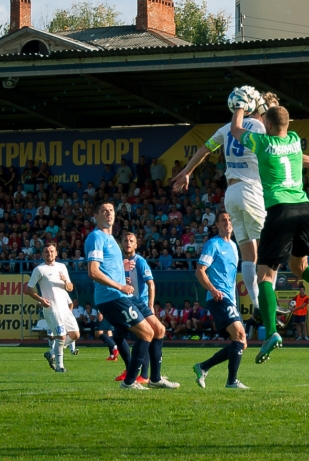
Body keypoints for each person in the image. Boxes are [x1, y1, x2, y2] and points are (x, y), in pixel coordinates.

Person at [228, 102, 309, 364]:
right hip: (303, 209)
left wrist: (239, 105)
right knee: (300, 267)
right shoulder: (295, 140)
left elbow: (235, 128)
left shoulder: (261, 143)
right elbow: (284, 128)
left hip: (279, 210)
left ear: (268, 125)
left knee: (265, 275)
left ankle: (271, 332)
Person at [172, 90, 270, 328]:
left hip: (231, 193)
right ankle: (268, 303)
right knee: (267, 251)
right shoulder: (258, 127)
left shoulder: (226, 129)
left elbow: (204, 151)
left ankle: (257, 304)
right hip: (250, 189)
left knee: (249, 254)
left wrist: (187, 172)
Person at [85, 202, 156, 390]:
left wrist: (122, 272)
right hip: (112, 296)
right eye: (104, 211)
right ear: (96, 216)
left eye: (111, 211)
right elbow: (93, 271)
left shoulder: (112, 241)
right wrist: (120, 286)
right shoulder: (96, 237)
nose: (108, 214)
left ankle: (150, 377)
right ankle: (132, 381)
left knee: (149, 330)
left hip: (119, 295)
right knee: (147, 332)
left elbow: (108, 267)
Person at [193, 212, 249, 389]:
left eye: (230, 220)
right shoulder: (213, 244)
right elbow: (200, 270)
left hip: (230, 299)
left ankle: (203, 367)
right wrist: (212, 289)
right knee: (239, 336)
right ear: (217, 224)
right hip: (218, 297)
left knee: (241, 342)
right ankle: (231, 381)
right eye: (223, 220)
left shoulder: (233, 246)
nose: (227, 223)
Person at [121, 233, 178, 388]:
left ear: (136, 245)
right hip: (123, 303)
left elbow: (151, 284)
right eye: (125, 240)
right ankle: (139, 375)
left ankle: (143, 375)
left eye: (131, 241)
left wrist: (151, 305)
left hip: (140, 304)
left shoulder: (139, 261)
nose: (128, 243)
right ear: (121, 243)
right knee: (122, 337)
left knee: (148, 334)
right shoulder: (118, 262)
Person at [27, 244, 79, 374]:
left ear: (56, 253)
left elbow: (70, 287)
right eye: (46, 251)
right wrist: (41, 300)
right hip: (52, 309)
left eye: (51, 251)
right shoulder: (39, 270)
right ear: (42, 254)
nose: (49, 253)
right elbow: (28, 289)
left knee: (75, 335)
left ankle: (51, 353)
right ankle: (59, 367)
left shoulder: (62, 267)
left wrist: (65, 281)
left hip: (64, 308)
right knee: (61, 336)